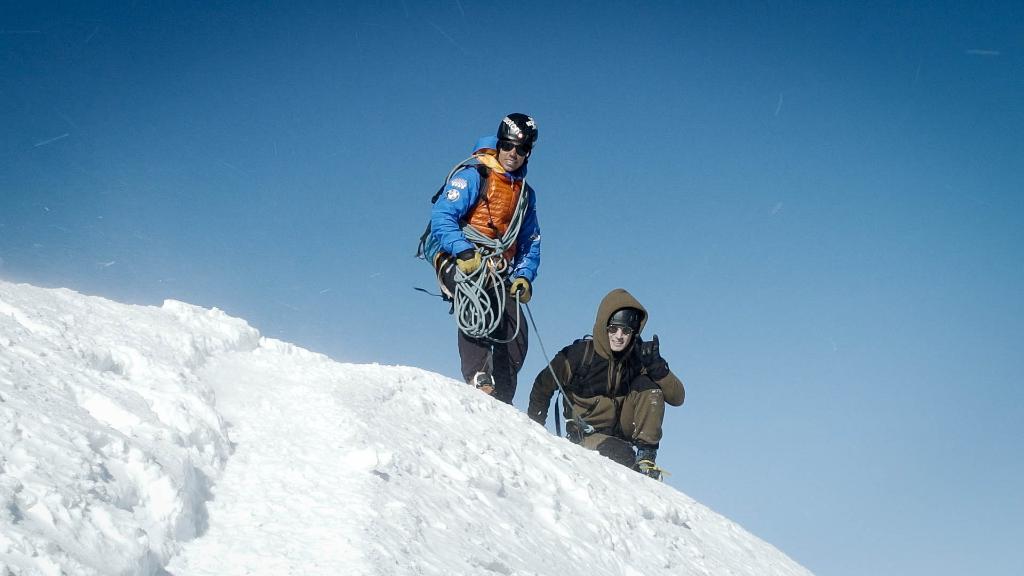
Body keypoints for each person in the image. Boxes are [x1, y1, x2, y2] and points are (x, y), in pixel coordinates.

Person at [421, 113, 542, 404]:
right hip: (455, 256)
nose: (514, 153)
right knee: (475, 295)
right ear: (498, 145)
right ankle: (479, 375)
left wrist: (524, 275)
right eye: (508, 146)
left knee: (516, 328)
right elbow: (442, 216)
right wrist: (464, 250)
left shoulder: (525, 195)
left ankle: (503, 394)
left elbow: (530, 240)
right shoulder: (474, 176)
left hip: (497, 265)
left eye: (522, 149)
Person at [527, 288, 684, 479]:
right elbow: (542, 386)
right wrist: (535, 430)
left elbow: (677, 398)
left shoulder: (636, 357)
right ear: (604, 326)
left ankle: (646, 458)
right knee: (623, 455)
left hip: (623, 431)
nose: (619, 336)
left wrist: (658, 368)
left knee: (648, 387)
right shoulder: (579, 356)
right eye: (613, 329)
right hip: (587, 436)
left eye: (626, 331)